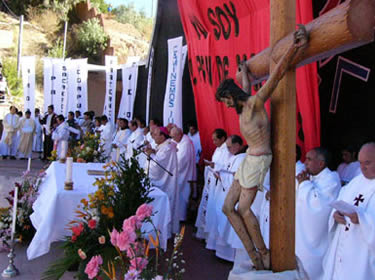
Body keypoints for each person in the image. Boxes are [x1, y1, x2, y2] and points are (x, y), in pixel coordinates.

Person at [217, 25, 309, 269]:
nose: (226, 105)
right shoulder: (243, 102)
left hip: (259, 160)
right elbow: (245, 87)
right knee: (228, 207)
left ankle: (263, 255)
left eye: (226, 100)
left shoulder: (255, 103)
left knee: (244, 209)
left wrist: (293, 47)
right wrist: (245, 70)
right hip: (249, 158)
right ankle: (253, 255)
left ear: (231, 96)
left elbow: (276, 75)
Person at [321, 142, 375, 280]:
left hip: (364, 254)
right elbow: (339, 203)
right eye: (361, 163)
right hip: (344, 246)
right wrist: (336, 215)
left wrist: (362, 219)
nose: (362, 167)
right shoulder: (355, 183)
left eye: (367, 163)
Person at [295, 147, 341, 279]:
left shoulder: (331, 179)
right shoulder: (309, 177)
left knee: (312, 268)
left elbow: (319, 205)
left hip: (315, 235)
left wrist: (304, 185)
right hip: (300, 230)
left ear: (321, 163)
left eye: (309, 159)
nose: (305, 162)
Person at [206, 135, 246, 261]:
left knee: (229, 225)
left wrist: (221, 176)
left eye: (229, 147)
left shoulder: (242, 158)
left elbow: (236, 179)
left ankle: (228, 255)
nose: (228, 150)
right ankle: (222, 252)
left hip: (233, 196)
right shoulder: (235, 157)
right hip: (224, 193)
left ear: (237, 145)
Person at [195, 128, 230, 239]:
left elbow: (226, 167)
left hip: (219, 184)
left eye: (216, 140)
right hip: (212, 182)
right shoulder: (218, 149)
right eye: (213, 140)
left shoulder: (226, 151)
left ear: (223, 138)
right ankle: (205, 233)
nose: (214, 142)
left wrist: (215, 167)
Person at [145, 126, 179, 233]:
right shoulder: (164, 146)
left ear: (163, 136)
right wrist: (153, 152)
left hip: (166, 183)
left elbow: (157, 166)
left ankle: (164, 232)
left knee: (164, 207)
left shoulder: (168, 147)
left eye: (155, 135)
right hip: (165, 181)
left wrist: (151, 154)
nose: (153, 137)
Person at [170, 126, 196, 221]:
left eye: (174, 136)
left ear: (179, 134)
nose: (173, 139)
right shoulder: (181, 141)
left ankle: (181, 217)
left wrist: (171, 167)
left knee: (182, 194)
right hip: (179, 173)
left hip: (183, 174)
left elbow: (182, 161)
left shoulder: (186, 143)